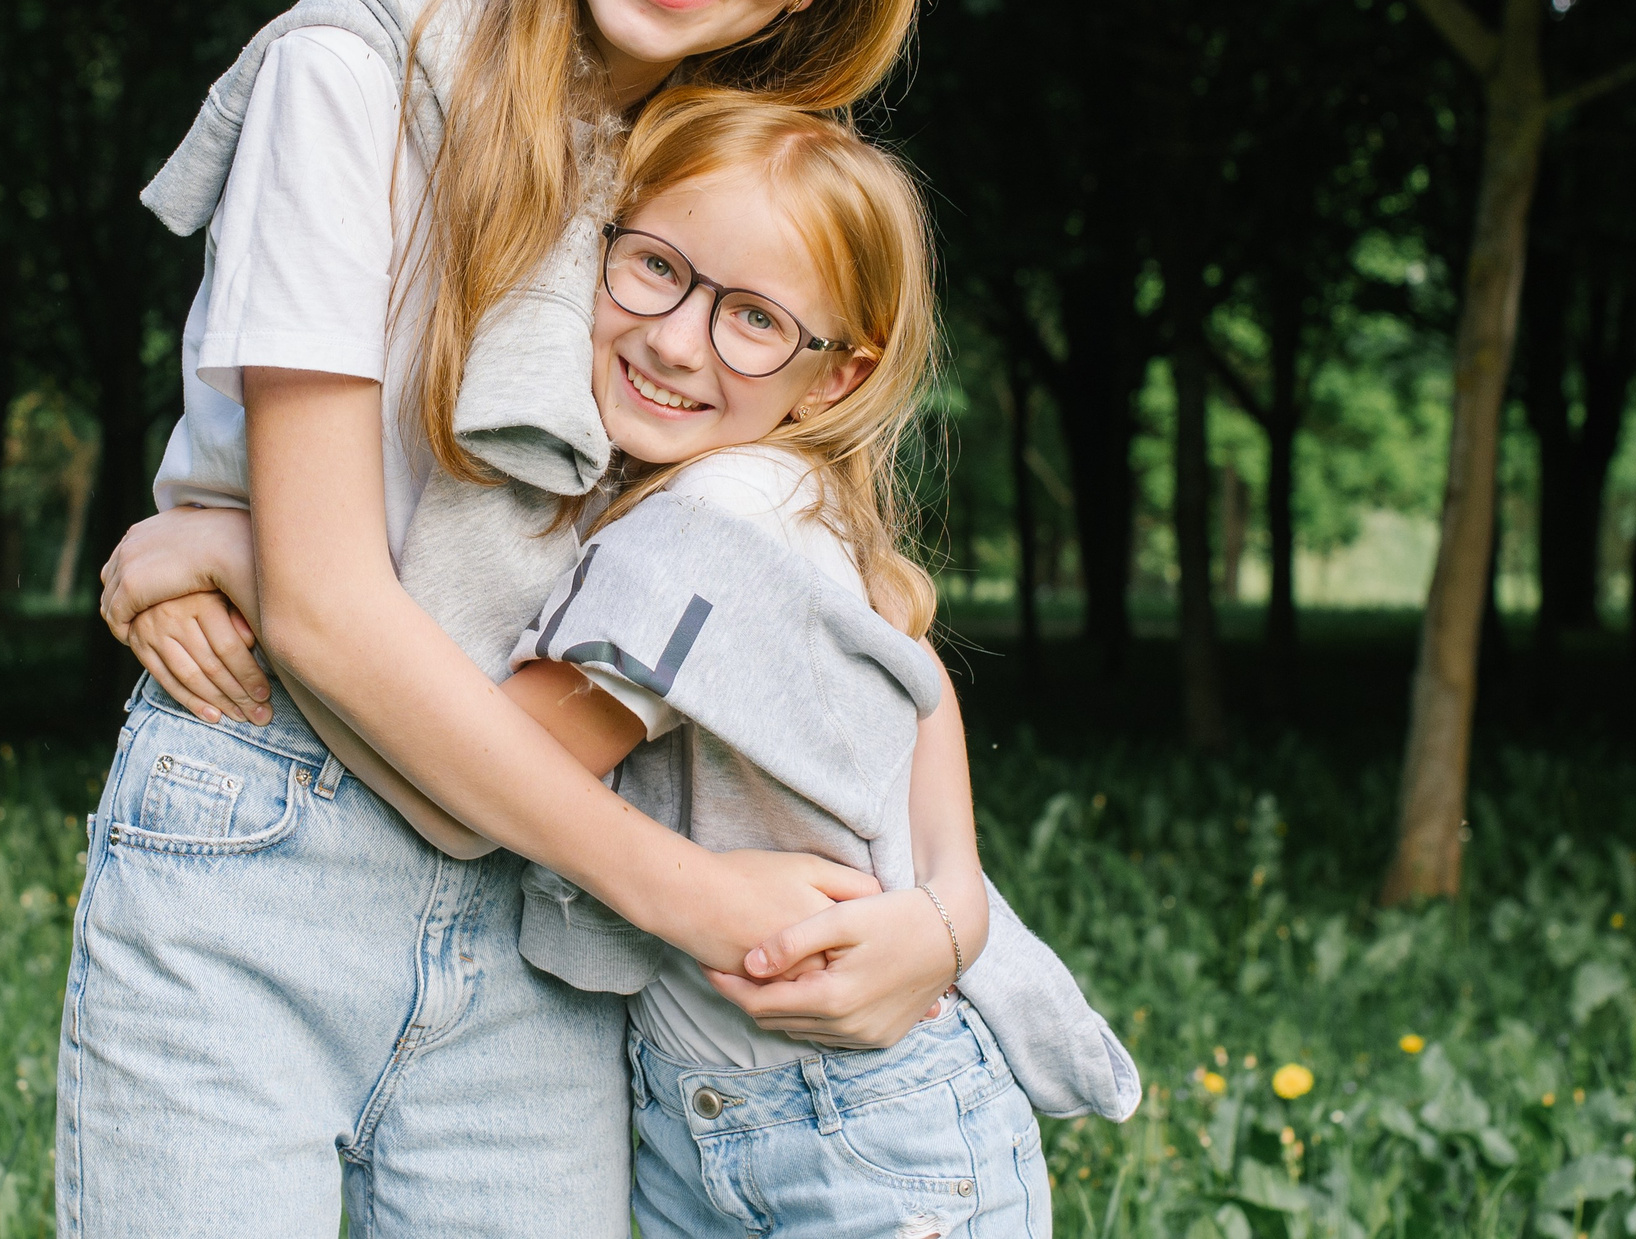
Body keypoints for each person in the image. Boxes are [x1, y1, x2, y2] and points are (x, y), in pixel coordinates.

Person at [64, 0, 969, 1238]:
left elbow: (848, 591)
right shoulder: (359, 76)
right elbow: (338, 613)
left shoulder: (728, 192)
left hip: (549, 932)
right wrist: (691, 894)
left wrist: (950, 917)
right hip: (271, 832)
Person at [126, 91, 1141, 1236]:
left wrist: (247, 558)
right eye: (655, 266)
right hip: (747, 1100)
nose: (675, 337)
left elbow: (479, 777)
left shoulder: (708, 522)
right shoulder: (770, 493)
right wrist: (950, 890)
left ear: (838, 378)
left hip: (838, 1127)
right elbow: (918, 677)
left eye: (755, 318)